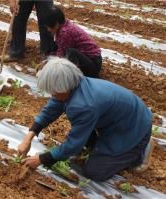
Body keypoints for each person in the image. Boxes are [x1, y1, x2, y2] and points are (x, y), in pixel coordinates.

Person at [18, 57, 154, 181]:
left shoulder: (84, 105)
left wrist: (41, 159)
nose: (52, 94)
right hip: (118, 121)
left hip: (133, 127)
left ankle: (141, 151)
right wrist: (28, 138)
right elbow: (50, 110)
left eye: (53, 91)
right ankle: (113, 145)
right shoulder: (73, 85)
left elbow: (73, 145)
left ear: (62, 88)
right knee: (84, 146)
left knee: (95, 171)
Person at [44, 6, 102, 78]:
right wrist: (48, 58)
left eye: (49, 27)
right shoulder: (64, 25)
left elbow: (61, 56)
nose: (48, 29)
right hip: (88, 59)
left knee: (70, 52)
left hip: (93, 64)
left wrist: (48, 66)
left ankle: (75, 76)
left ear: (56, 23)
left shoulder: (65, 32)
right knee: (58, 47)